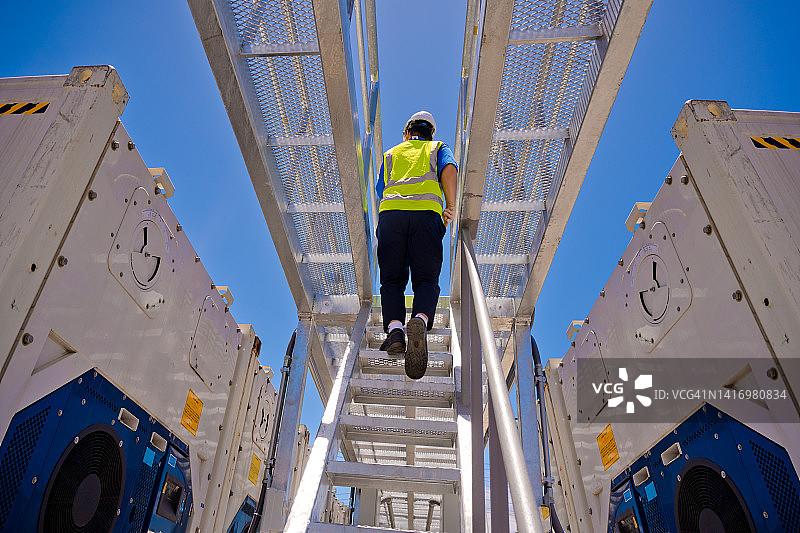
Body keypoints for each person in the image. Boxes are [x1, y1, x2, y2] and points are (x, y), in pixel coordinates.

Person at [376, 111, 457, 379]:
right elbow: (449, 169)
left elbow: (380, 190)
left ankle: (396, 329)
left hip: (392, 217)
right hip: (427, 217)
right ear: (429, 133)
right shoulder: (437, 148)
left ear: (407, 132)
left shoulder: (390, 154)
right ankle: (420, 321)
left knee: (392, 281)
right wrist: (451, 204)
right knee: (426, 280)